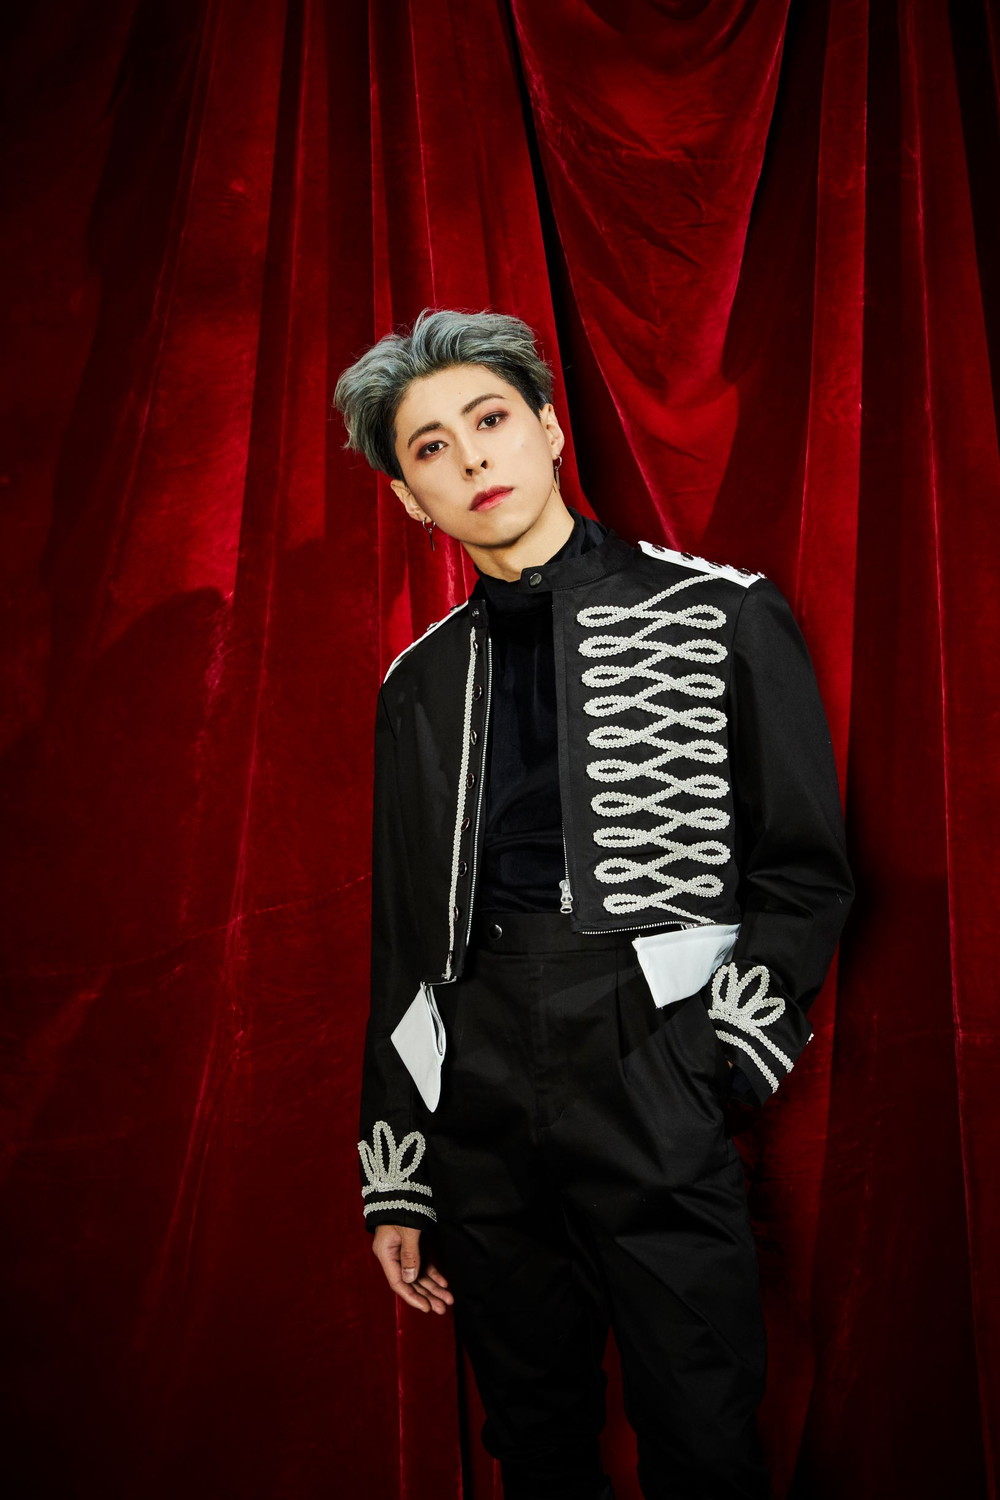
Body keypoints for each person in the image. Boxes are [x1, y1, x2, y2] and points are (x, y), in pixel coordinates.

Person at [333, 308, 853, 1500]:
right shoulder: (415, 683)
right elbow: (403, 942)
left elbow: (803, 871)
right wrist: (396, 1172)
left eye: (490, 419)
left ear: (549, 429)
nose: (472, 457)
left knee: (704, 1437)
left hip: (645, 1046)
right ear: (411, 500)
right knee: (535, 1444)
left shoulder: (723, 613)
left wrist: (709, 1065)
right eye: (430, 448)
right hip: (475, 1079)